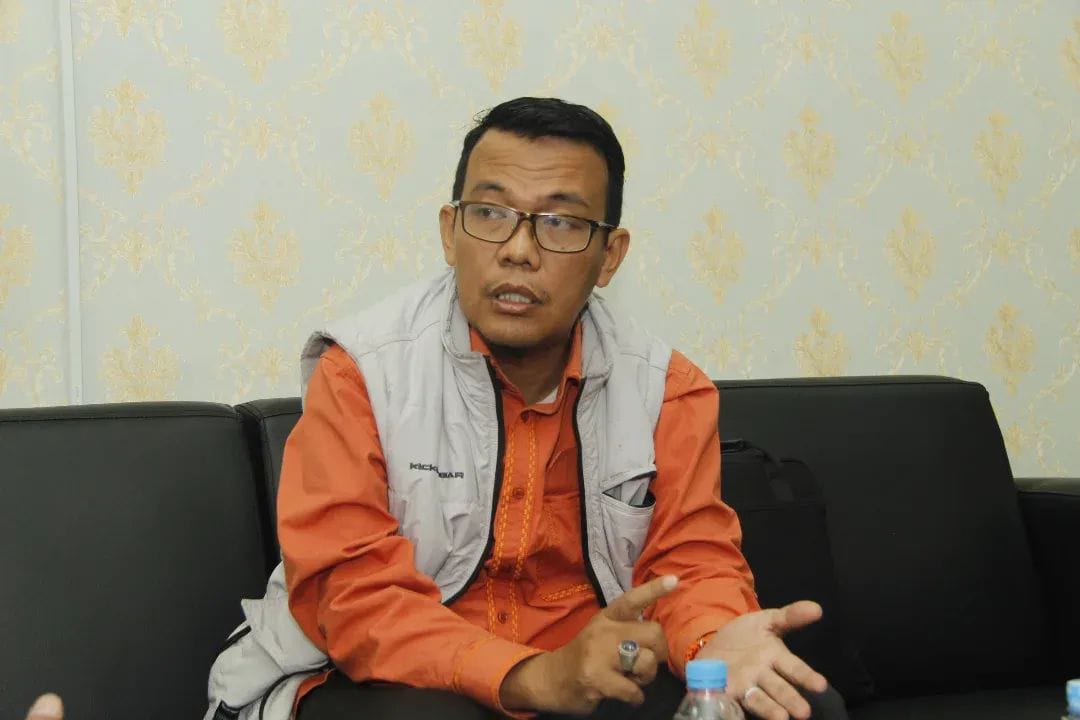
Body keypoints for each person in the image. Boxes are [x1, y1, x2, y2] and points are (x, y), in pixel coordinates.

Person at [205, 97, 849, 720]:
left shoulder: (667, 390)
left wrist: (714, 640)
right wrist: (533, 677)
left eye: (561, 223)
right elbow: (351, 595)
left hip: (591, 673)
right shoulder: (363, 373)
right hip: (382, 673)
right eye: (490, 213)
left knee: (795, 709)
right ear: (450, 232)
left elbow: (691, 564)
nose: (518, 249)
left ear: (610, 256)